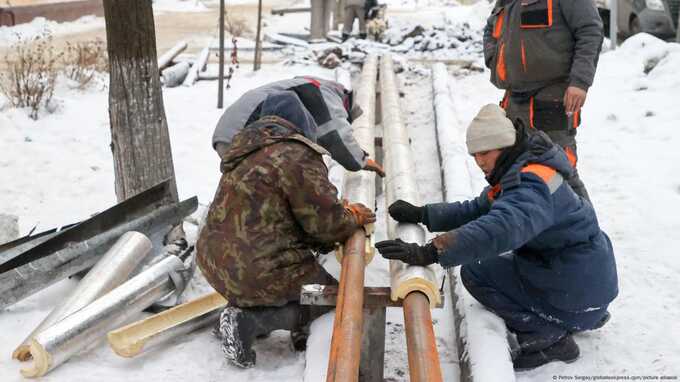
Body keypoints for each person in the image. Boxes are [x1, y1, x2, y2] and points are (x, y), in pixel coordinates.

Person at [375, 104, 618, 370]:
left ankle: (549, 338)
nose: (479, 161)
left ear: (503, 146)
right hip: (584, 281)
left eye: (484, 152)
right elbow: (477, 210)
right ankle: (577, 314)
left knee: (477, 272)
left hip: (578, 288)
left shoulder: (531, 185)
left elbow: (496, 229)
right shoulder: (523, 169)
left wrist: (430, 252)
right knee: (497, 259)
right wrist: (423, 214)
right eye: (474, 154)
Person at [197, 90, 376, 368]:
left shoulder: (244, 151)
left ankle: (248, 306)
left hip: (214, 265)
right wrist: (352, 216)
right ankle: (251, 320)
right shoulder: (297, 154)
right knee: (329, 298)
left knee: (268, 279)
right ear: (301, 123)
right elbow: (327, 225)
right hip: (256, 269)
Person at [483, 0, 604, 201]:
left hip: (552, 98)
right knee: (515, 171)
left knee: (558, 171)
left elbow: (590, 31)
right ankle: (527, 226)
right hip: (513, 100)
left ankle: (583, 228)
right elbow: (491, 28)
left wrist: (580, 82)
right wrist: (493, 57)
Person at [213, 76, 384, 177]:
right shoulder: (327, 92)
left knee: (250, 187)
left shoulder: (306, 85)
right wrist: (359, 160)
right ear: (346, 102)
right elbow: (335, 134)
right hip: (242, 129)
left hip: (230, 130)